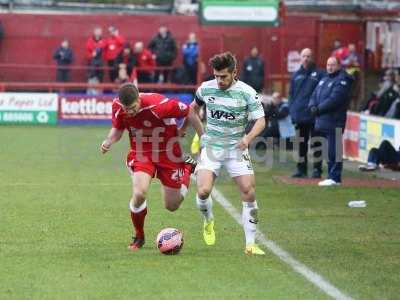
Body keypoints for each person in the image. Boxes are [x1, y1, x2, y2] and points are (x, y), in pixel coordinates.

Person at [100, 83, 196, 250]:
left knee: (172, 205)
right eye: (126, 108)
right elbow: (117, 128)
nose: (129, 111)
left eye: (133, 107)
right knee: (139, 193)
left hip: (168, 153)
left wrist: (192, 132)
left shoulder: (160, 104)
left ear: (139, 98)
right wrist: (109, 140)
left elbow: (189, 111)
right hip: (142, 153)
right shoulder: (118, 106)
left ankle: (187, 169)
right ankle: (139, 235)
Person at [188, 52, 266, 255]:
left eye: (223, 76)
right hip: (213, 146)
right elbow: (192, 110)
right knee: (203, 191)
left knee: (248, 191)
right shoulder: (206, 88)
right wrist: (202, 135)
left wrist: (247, 139)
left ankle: (250, 244)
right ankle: (208, 220)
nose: (219, 80)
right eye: (216, 76)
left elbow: (261, 121)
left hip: (236, 148)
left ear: (234, 73)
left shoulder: (247, 92)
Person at [309, 57, 353, 186]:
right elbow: (314, 94)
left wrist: (318, 109)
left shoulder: (342, 81)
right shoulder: (324, 79)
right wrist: (312, 106)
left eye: (333, 65)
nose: (329, 67)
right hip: (323, 121)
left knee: (335, 150)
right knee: (328, 151)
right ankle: (331, 176)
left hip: (335, 121)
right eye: (328, 65)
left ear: (339, 66)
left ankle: (335, 177)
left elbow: (335, 99)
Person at [288, 48, 324, 178]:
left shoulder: (320, 74)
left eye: (308, 56)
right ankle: (301, 170)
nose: (306, 58)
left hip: (314, 115)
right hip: (300, 115)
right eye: (304, 56)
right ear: (301, 58)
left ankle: (317, 170)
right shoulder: (296, 75)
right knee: (301, 144)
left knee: (317, 143)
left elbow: (322, 94)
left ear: (312, 57)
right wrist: (292, 111)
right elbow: (291, 95)